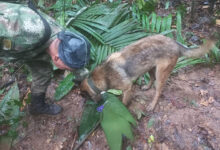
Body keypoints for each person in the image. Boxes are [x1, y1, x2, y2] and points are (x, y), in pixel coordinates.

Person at [0, 1, 91, 115]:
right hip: (13, 34)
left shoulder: (64, 40)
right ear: (57, 59)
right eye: (67, 68)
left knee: (43, 73)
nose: (69, 70)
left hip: (32, 49)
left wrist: (87, 81)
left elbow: (76, 64)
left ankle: (37, 106)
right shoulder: (24, 29)